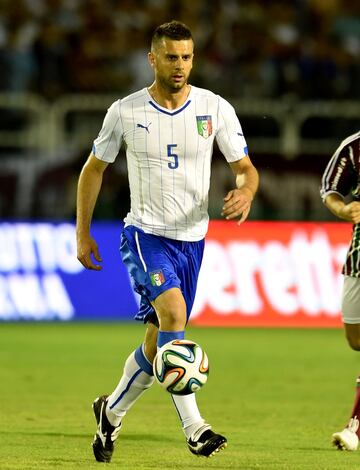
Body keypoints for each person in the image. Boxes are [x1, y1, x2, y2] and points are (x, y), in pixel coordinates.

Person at [76, 20, 259, 463]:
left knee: (160, 341)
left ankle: (111, 412)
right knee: (174, 313)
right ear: (152, 59)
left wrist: (246, 190)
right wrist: (82, 232)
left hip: (192, 241)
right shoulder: (126, 111)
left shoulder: (215, 108)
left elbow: (246, 168)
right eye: (172, 57)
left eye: (187, 57)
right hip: (144, 234)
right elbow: (93, 169)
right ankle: (196, 428)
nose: (180, 66)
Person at [320, 130, 360, 451]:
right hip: (359, 256)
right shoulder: (354, 147)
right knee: (355, 339)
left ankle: (355, 426)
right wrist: (344, 210)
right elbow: (330, 190)